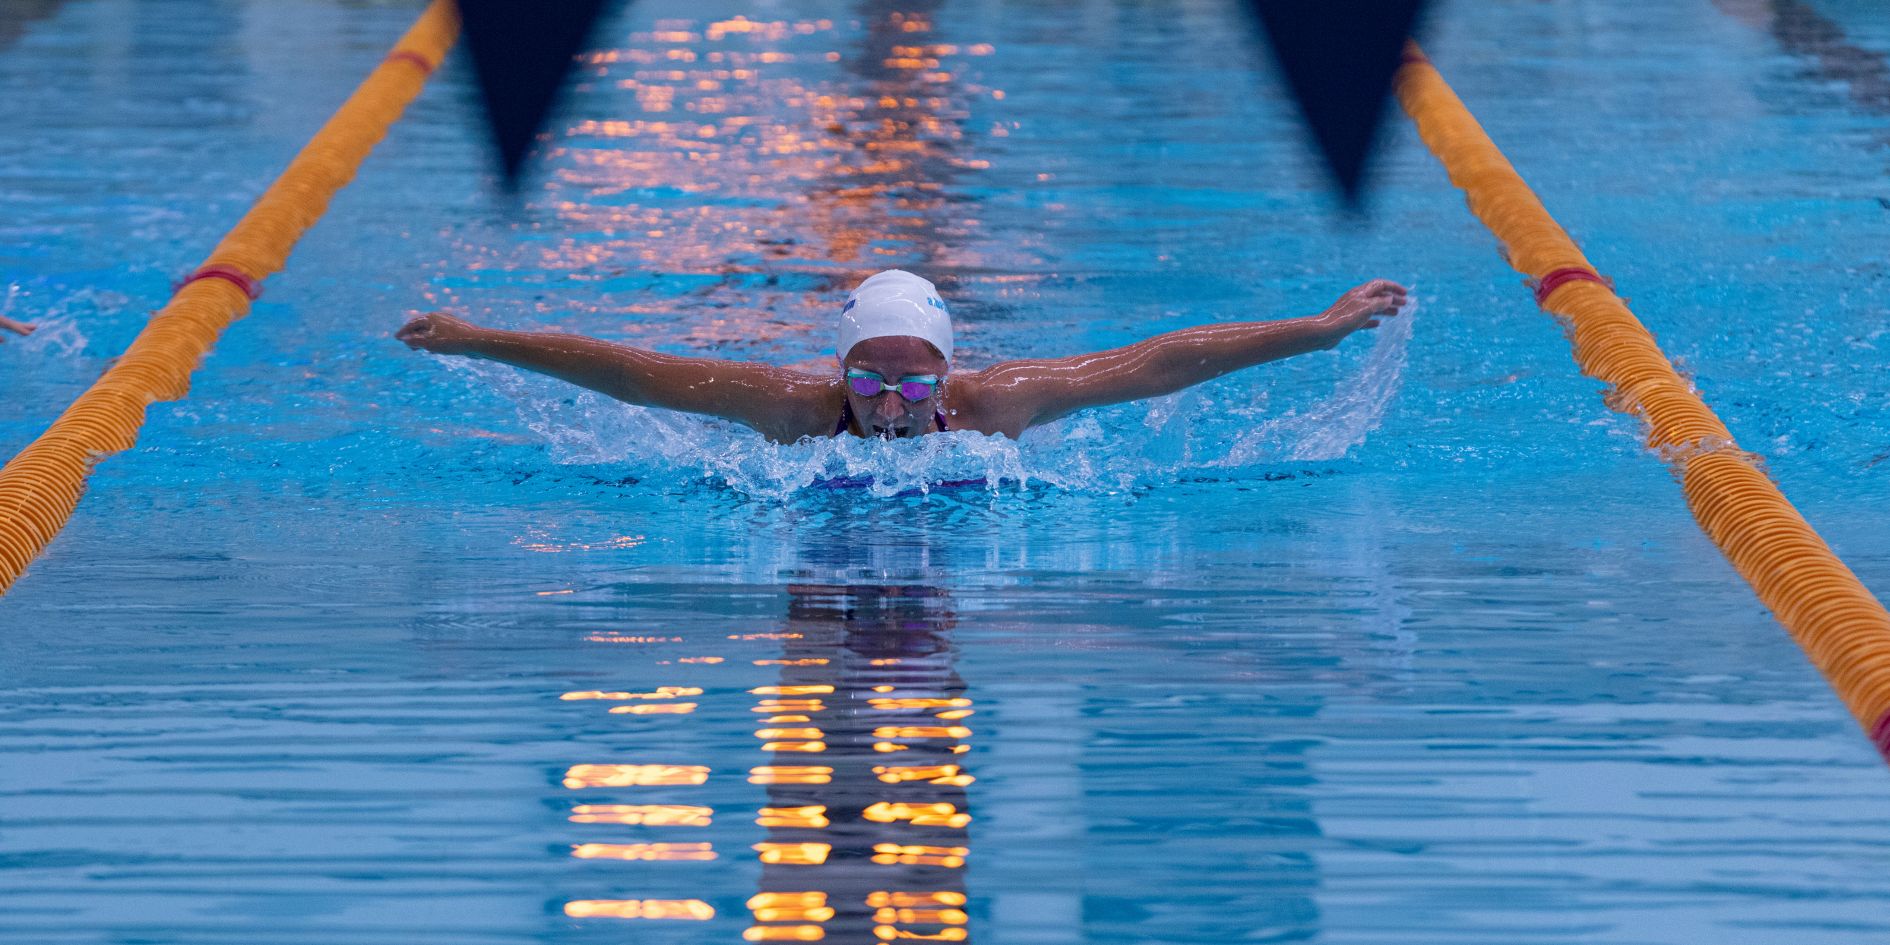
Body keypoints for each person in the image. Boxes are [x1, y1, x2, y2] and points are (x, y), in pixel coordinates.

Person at [396, 270, 1407, 442]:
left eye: (910, 378)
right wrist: (483, 342)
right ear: (838, 371)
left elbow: (1159, 362)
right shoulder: (789, 406)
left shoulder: (996, 403)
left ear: (944, 373)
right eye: (866, 377)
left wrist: (1316, 330)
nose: (888, 403)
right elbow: (623, 368)